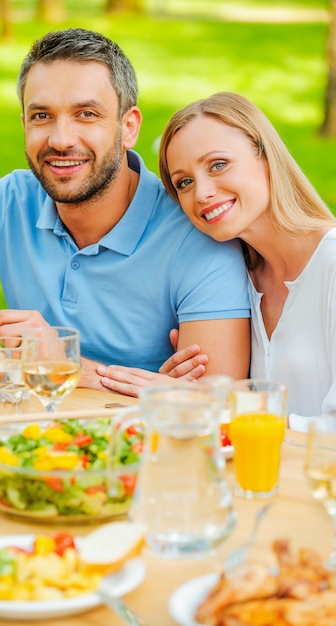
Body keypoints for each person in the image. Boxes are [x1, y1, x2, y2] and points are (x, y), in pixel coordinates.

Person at [0, 31, 250, 391]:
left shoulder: (195, 234)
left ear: (128, 127)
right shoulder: (8, 203)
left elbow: (216, 403)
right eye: (42, 116)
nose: (61, 139)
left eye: (86, 114)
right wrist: (147, 387)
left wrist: (66, 361)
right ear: (24, 125)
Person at [101, 91, 336, 429]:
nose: (202, 193)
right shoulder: (236, 277)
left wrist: (211, 408)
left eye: (218, 165)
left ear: (266, 157)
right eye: (184, 182)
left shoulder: (330, 263)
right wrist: (197, 385)